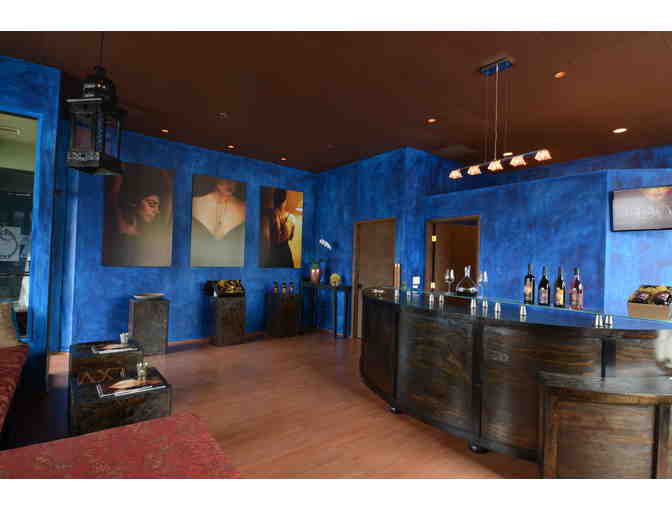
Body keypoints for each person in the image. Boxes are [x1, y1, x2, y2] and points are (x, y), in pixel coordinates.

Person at [103, 170, 172, 266]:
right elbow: (114, 194)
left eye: (158, 207)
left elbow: (169, 194)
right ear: (135, 202)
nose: (157, 211)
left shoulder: (156, 231)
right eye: (152, 204)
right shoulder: (122, 227)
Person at [191, 177, 246, 266]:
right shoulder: (194, 203)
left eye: (233, 178)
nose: (230, 182)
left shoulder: (245, 209)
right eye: (225, 178)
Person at [262, 188, 296, 267]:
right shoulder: (292, 217)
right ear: (285, 200)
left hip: (274, 253)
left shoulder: (269, 215)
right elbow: (291, 237)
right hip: (285, 253)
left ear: (274, 200)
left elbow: (274, 240)